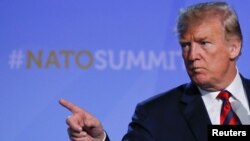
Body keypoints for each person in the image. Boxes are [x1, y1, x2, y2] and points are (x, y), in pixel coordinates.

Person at [59, 1, 250, 141]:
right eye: (185, 45)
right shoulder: (154, 114)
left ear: (234, 47)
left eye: (204, 43)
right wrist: (100, 140)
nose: (192, 56)